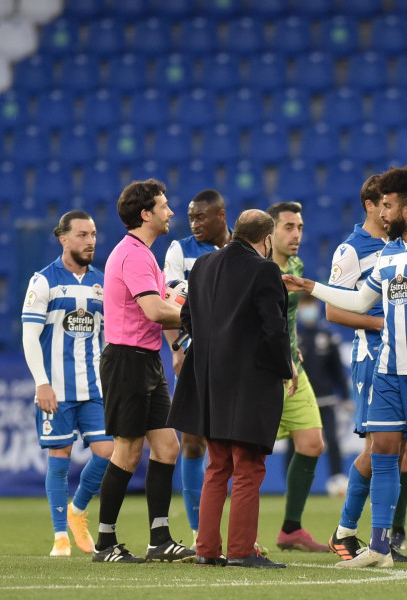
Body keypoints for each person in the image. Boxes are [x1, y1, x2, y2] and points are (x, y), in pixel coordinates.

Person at [284, 166, 407, 569]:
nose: (384, 212)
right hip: (387, 369)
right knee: (383, 451)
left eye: (389, 205)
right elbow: (358, 302)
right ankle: (379, 548)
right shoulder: (389, 252)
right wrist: (311, 287)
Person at [168, 210, 291, 569]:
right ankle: (240, 550)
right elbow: (274, 327)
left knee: (217, 465)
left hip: (208, 380)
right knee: (249, 466)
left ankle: (206, 549)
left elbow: (186, 317)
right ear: (266, 239)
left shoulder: (203, 264)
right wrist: (284, 369)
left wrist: (210, 348)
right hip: (251, 381)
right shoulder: (264, 269)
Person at [94, 178, 194, 563]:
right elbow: (154, 310)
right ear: (145, 214)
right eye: (164, 206)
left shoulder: (143, 253)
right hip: (126, 361)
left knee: (168, 446)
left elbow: (161, 306)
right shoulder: (133, 255)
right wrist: (194, 314)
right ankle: (105, 544)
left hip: (146, 359)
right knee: (128, 450)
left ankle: (159, 540)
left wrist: (179, 326)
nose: (170, 212)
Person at [325, 174, 407, 563]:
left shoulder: (399, 245)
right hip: (371, 356)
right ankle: (350, 533)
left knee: (396, 450)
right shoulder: (350, 250)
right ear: (371, 205)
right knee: (383, 446)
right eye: (386, 203)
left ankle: (362, 535)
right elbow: (334, 309)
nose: (390, 210)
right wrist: (382, 324)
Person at [21, 211, 113, 557]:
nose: (90, 241)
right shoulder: (43, 281)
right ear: (64, 239)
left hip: (94, 388)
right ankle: (60, 536)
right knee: (59, 458)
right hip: (55, 390)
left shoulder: (102, 283)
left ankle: (77, 512)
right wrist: (42, 383)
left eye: (93, 234)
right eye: (83, 235)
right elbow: (30, 336)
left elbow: (107, 338)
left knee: (108, 453)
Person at [163, 189, 232, 546]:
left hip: (234, 359)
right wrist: (176, 348)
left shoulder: (242, 249)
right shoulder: (180, 249)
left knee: (233, 444)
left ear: (220, 216)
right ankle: (197, 531)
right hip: (194, 352)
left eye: (200, 218)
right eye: (190, 218)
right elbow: (168, 299)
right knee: (192, 442)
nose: (193, 224)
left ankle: (235, 534)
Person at [265, 201, 329, 553]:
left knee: (312, 443)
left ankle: (291, 529)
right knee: (247, 456)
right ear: (270, 231)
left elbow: (285, 319)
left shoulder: (297, 266)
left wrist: (292, 349)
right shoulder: (257, 269)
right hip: (262, 374)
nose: (296, 234)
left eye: (300, 227)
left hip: (292, 369)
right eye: (289, 227)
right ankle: (226, 535)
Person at [293, 293, 349, 494]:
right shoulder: (292, 334)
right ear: (299, 308)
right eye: (304, 305)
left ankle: (338, 479)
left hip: (325, 399)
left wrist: (345, 396)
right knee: (295, 443)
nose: (308, 309)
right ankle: (293, 483)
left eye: (311, 304)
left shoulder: (327, 334)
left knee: (332, 440)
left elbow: (338, 371)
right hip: (300, 400)